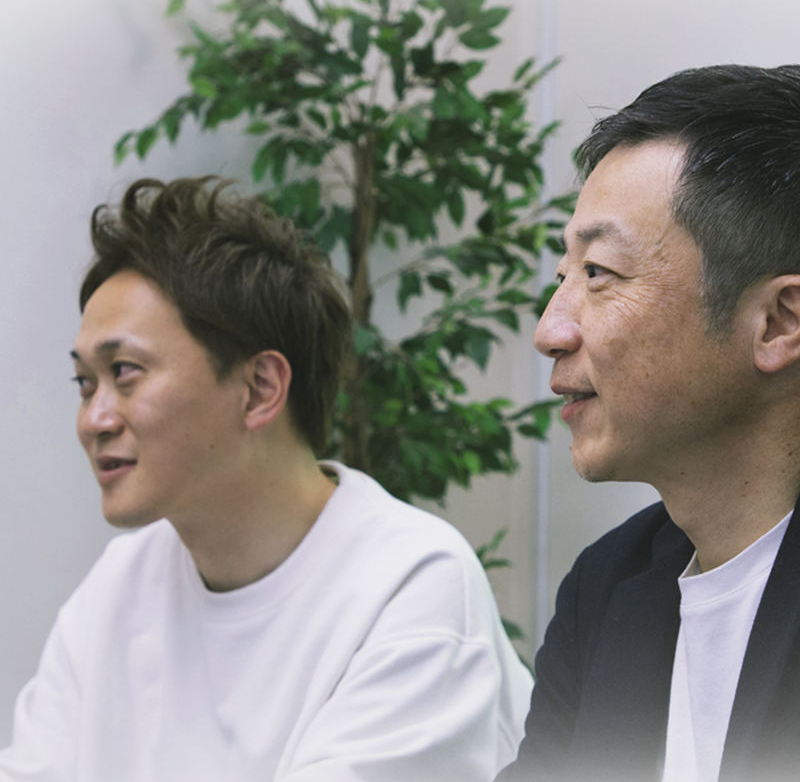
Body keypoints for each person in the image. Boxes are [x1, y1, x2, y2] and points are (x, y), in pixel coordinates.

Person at [0, 177, 531, 782]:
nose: (93, 420)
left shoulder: (411, 586)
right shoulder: (118, 587)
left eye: (124, 372)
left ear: (259, 389)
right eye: (84, 383)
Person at [502, 65, 800, 782]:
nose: (549, 330)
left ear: (777, 322)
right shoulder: (606, 588)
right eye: (563, 277)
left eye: (598, 273)